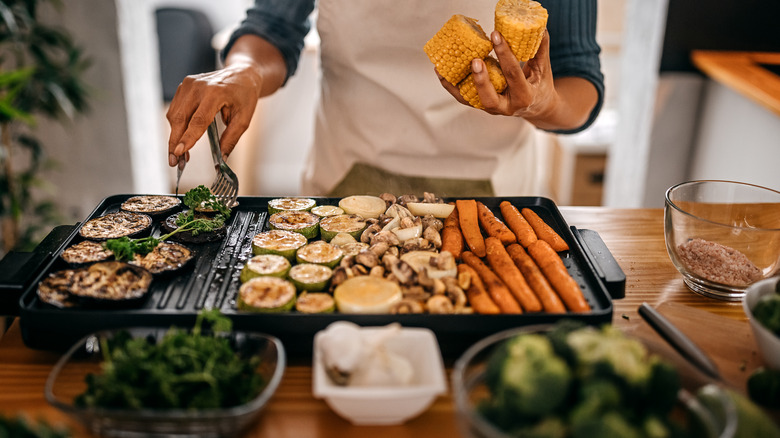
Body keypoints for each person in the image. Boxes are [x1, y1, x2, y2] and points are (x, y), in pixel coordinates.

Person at [166, 0, 603, 197]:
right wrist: (243, 69)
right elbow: (272, 27)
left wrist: (541, 103)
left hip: (496, 194)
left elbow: (580, 80)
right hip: (343, 183)